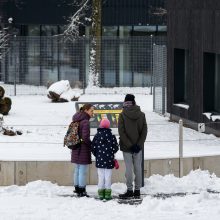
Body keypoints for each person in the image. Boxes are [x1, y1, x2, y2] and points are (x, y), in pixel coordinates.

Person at [118, 94, 147, 199]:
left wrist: (129, 145)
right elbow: (144, 131)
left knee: (129, 169)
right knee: (138, 168)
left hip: (126, 147)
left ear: (125, 102)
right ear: (134, 102)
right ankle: (137, 190)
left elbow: (121, 132)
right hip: (138, 147)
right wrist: (139, 144)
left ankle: (130, 190)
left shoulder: (122, 115)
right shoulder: (142, 114)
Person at [91, 118, 119, 200]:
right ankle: (107, 195)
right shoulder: (112, 136)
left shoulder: (97, 136)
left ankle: (100, 194)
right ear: (108, 126)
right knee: (108, 177)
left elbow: (93, 147)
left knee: (100, 177)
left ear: (100, 125)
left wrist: (97, 155)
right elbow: (116, 148)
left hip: (99, 160)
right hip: (109, 160)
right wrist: (111, 153)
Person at [71, 103, 94, 197]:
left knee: (77, 169)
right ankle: (82, 190)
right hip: (83, 149)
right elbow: (85, 137)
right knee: (82, 171)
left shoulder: (76, 119)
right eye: (91, 111)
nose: (93, 113)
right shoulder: (85, 122)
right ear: (86, 110)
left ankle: (77, 188)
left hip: (75, 147)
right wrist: (91, 145)